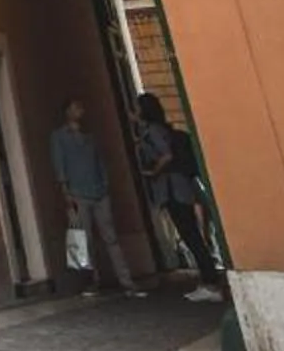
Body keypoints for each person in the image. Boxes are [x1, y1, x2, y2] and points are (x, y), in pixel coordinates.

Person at [48, 98, 146, 297]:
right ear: (67, 111)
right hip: (77, 192)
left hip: (98, 191)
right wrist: (65, 191)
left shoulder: (90, 137)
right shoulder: (59, 137)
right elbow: (59, 164)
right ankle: (91, 281)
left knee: (111, 237)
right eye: (75, 107)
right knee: (84, 239)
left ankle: (126, 280)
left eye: (80, 106)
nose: (79, 110)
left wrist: (105, 184)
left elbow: (99, 161)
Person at [135, 93, 224, 302]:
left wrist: (153, 172)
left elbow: (166, 155)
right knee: (191, 233)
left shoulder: (153, 131)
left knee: (190, 234)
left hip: (172, 189)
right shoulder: (162, 129)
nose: (134, 112)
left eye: (137, 108)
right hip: (179, 187)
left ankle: (210, 282)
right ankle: (208, 280)